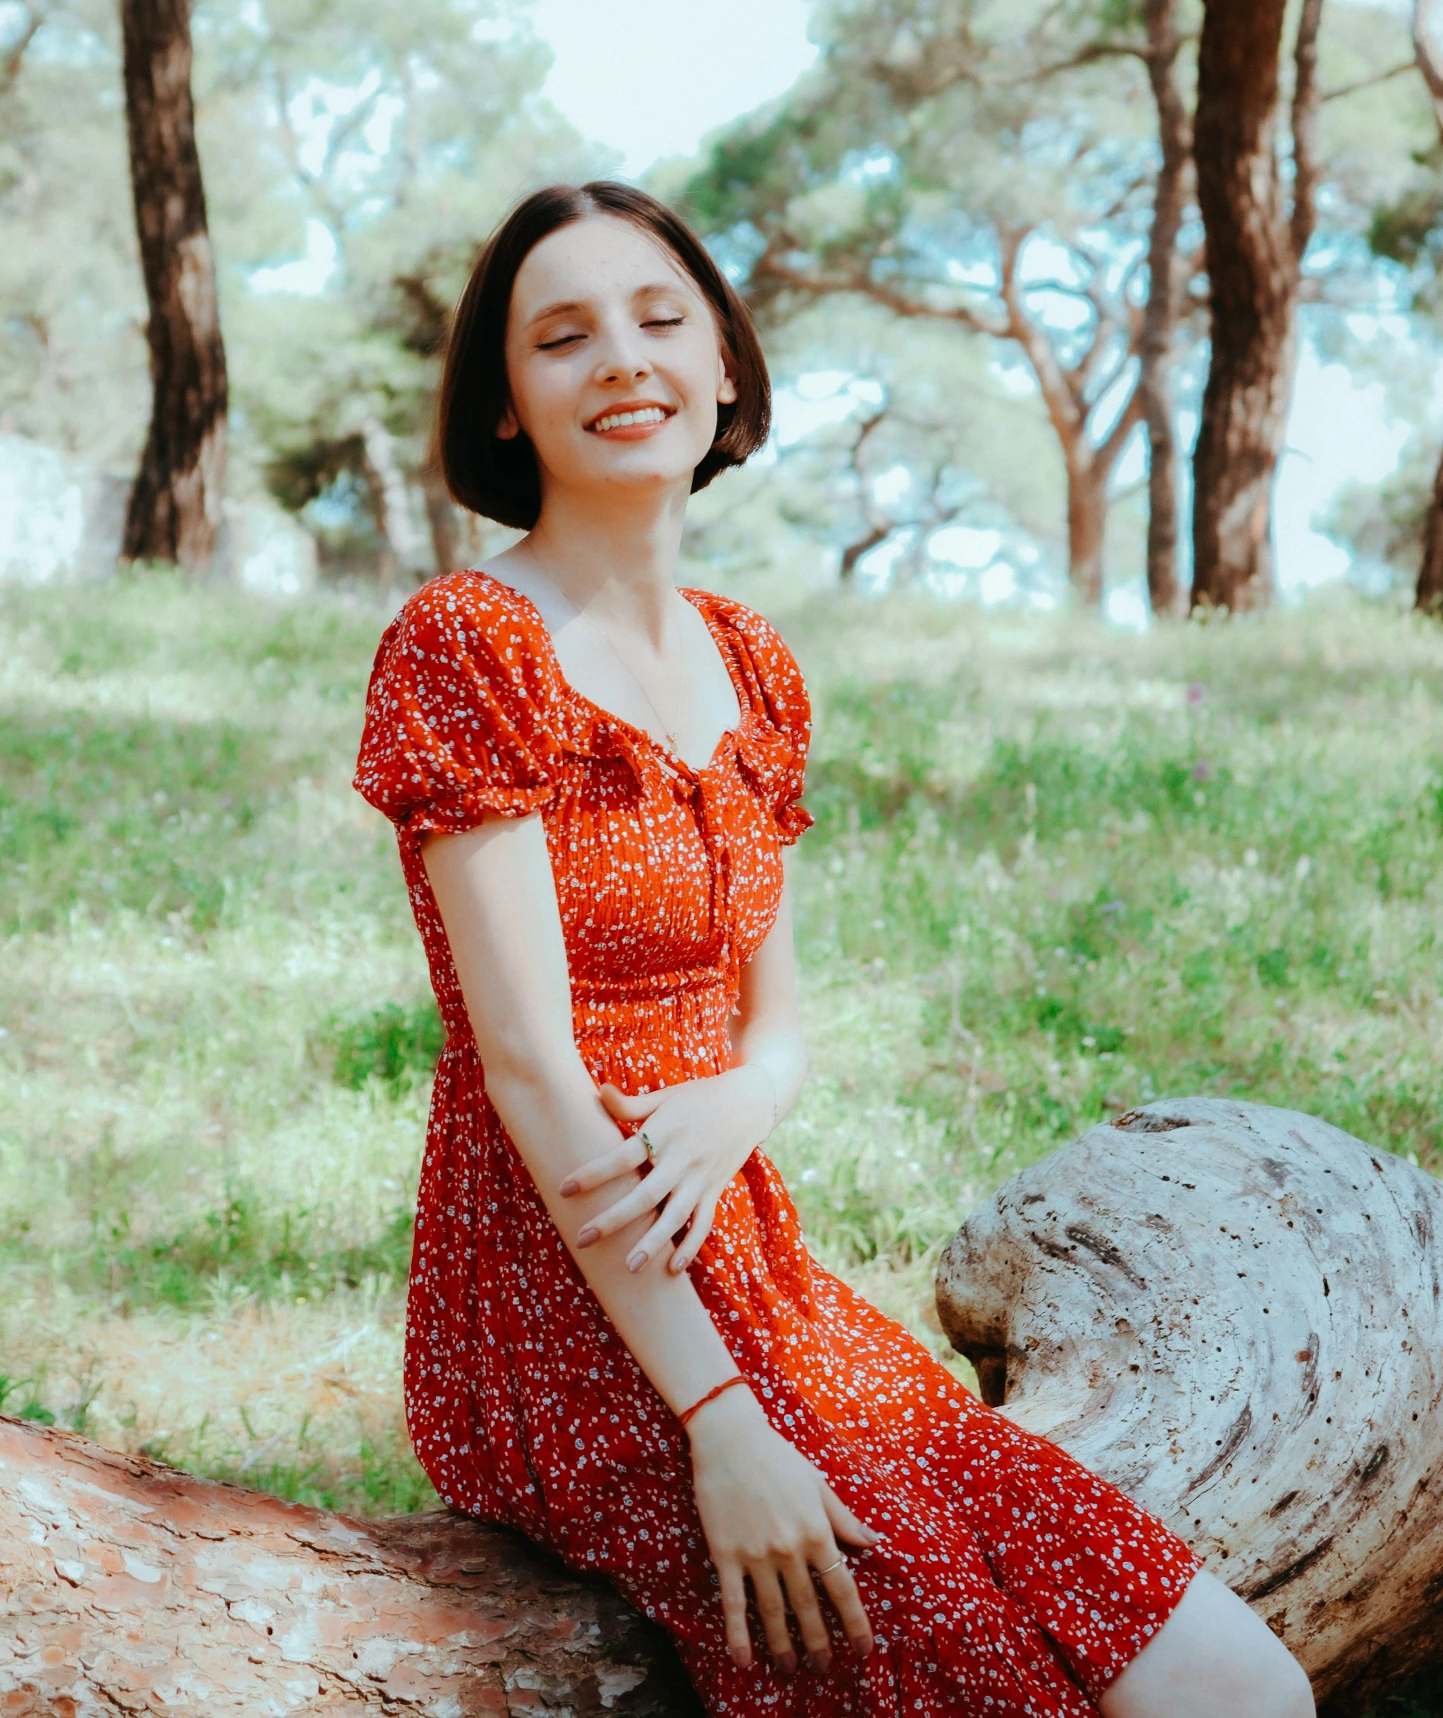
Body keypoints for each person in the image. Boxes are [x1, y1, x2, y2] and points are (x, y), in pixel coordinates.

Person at [354, 180, 1313, 1718]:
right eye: (562, 336)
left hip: (757, 1266)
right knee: (970, 1670)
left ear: (724, 364)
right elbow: (531, 1067)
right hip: (562, 1302)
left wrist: (741, 1096)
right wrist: (721, 1418)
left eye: (660, 319)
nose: (622, 360)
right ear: (507, 406)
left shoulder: (751, 663)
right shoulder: (470, 643)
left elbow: (774, 1026)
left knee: (1235, 1685)